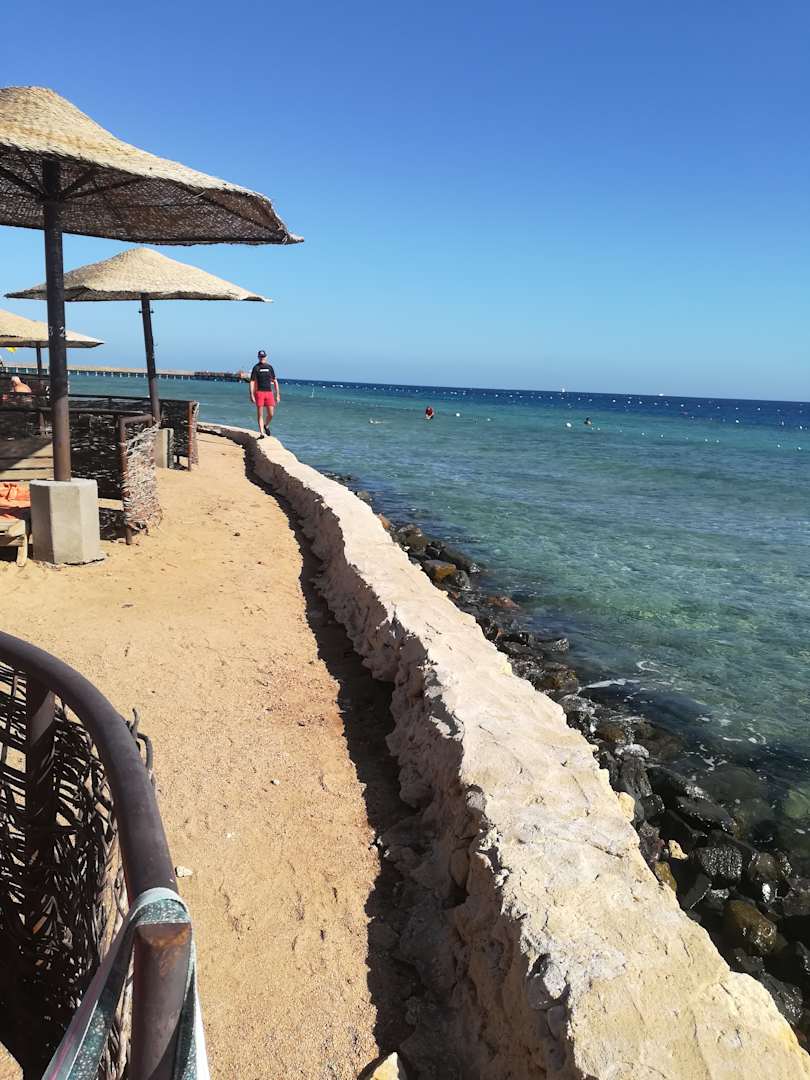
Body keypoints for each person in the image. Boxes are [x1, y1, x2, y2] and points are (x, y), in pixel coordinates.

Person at [249, 350, 280, 438]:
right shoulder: (256, 368)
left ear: (266, 357)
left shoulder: (270, 367)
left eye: (263, 356)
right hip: (259, 393)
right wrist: (251, 394)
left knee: (271, 414)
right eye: (260, 356)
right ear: (258, 357)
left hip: (269, 392)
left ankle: (266, 425)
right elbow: (252, 381)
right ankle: (262, 433)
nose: (262, 358)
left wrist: (277, 394)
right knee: (260, 414)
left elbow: (275, 381)